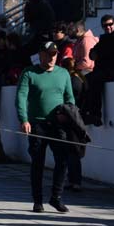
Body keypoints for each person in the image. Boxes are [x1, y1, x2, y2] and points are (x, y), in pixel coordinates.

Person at [16, 41, 75, 213]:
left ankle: (56, 197)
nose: (51, 57)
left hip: (58, 124)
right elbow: (21, 97)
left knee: (63, 160)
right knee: (38, 162)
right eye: (48, 54)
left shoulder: (63, 73)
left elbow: (70, 98)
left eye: (54, 54)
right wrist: (24, 119)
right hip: (37, 124)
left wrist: (68, 114)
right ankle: (38, 200)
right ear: (40, 54)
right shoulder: (29, 73)